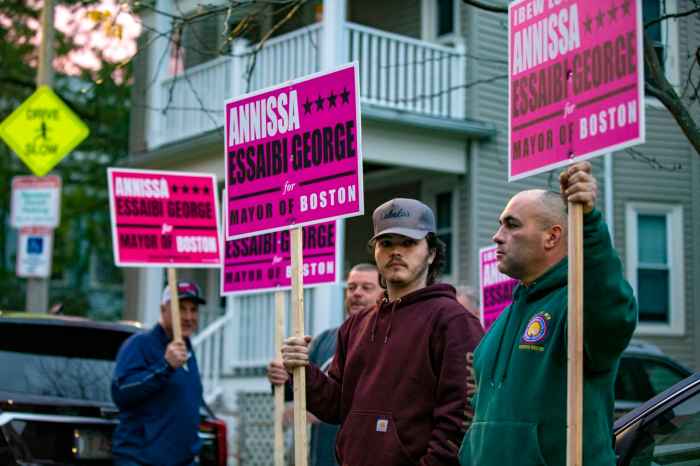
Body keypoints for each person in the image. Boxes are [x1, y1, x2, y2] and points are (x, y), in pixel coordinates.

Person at [458, 162, 637, 466]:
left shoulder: (578, 305)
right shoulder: (506, 317)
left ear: (552, 236)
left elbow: (611, 313)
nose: (497, 236)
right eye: (501, 224)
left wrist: (590, 224)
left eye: (511, 225)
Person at [282, 198, 484, 466]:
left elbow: (462, 419)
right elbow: (335, 407)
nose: (396, 251)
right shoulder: (356, 325)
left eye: (409, 243)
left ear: (432, 252)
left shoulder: (454, 321)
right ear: (375, 252)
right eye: (386, 243)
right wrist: (302, 371)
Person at [267, 263, 383, 466]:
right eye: (351, 287)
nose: (356, 293)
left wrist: (326, 410)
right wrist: (284, 375)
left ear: (383, 294)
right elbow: (296, 391)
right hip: (320, 457)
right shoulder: (325, 339)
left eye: (366, 287)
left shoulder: (390, 340)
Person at [111, 281, 206, 466]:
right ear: (163, 309)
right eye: (181, 309)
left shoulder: (187, 349)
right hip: (140, 460)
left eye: (193, 310)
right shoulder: (140, 344)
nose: (188, 317)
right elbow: (121, 392)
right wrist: (165, 366)